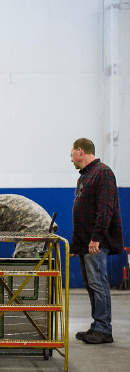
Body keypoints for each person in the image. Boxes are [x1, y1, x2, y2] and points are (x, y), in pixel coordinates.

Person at [70, 138, 123, 344]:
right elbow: (81, 214)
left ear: (80, 151)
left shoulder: (103, 173)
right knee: (91, 284)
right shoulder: (85, 176)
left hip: (95, 243)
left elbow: (105, 209)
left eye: (72, 153)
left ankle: (103, 328)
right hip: (85, 243)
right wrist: (76, 244)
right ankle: (97, 325)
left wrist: (96, 238)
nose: (71, 158)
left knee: (98, 283)